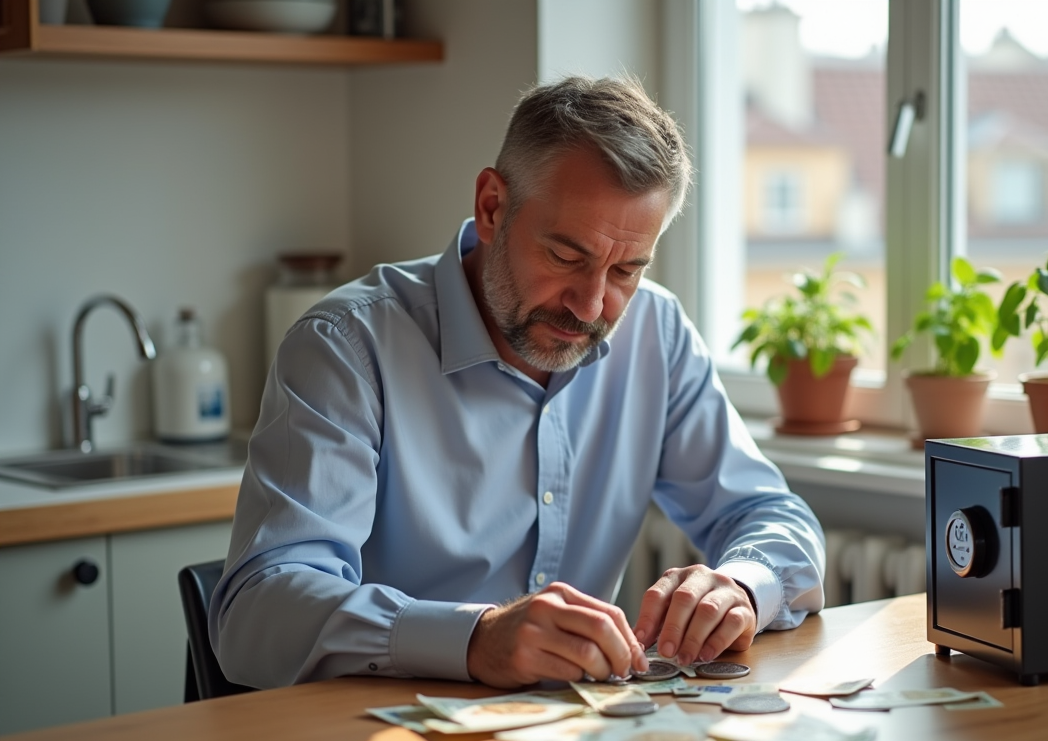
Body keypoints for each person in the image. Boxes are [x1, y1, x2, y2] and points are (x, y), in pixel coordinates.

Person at [210, 75, 826, 690]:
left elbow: (771, 516)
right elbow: (257, 612)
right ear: (491, 207)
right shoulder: (347, 346)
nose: (590, 306)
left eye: (626, 270)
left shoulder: (656, 332)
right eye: (566, 257)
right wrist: (472, 639)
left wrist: (741, 583)